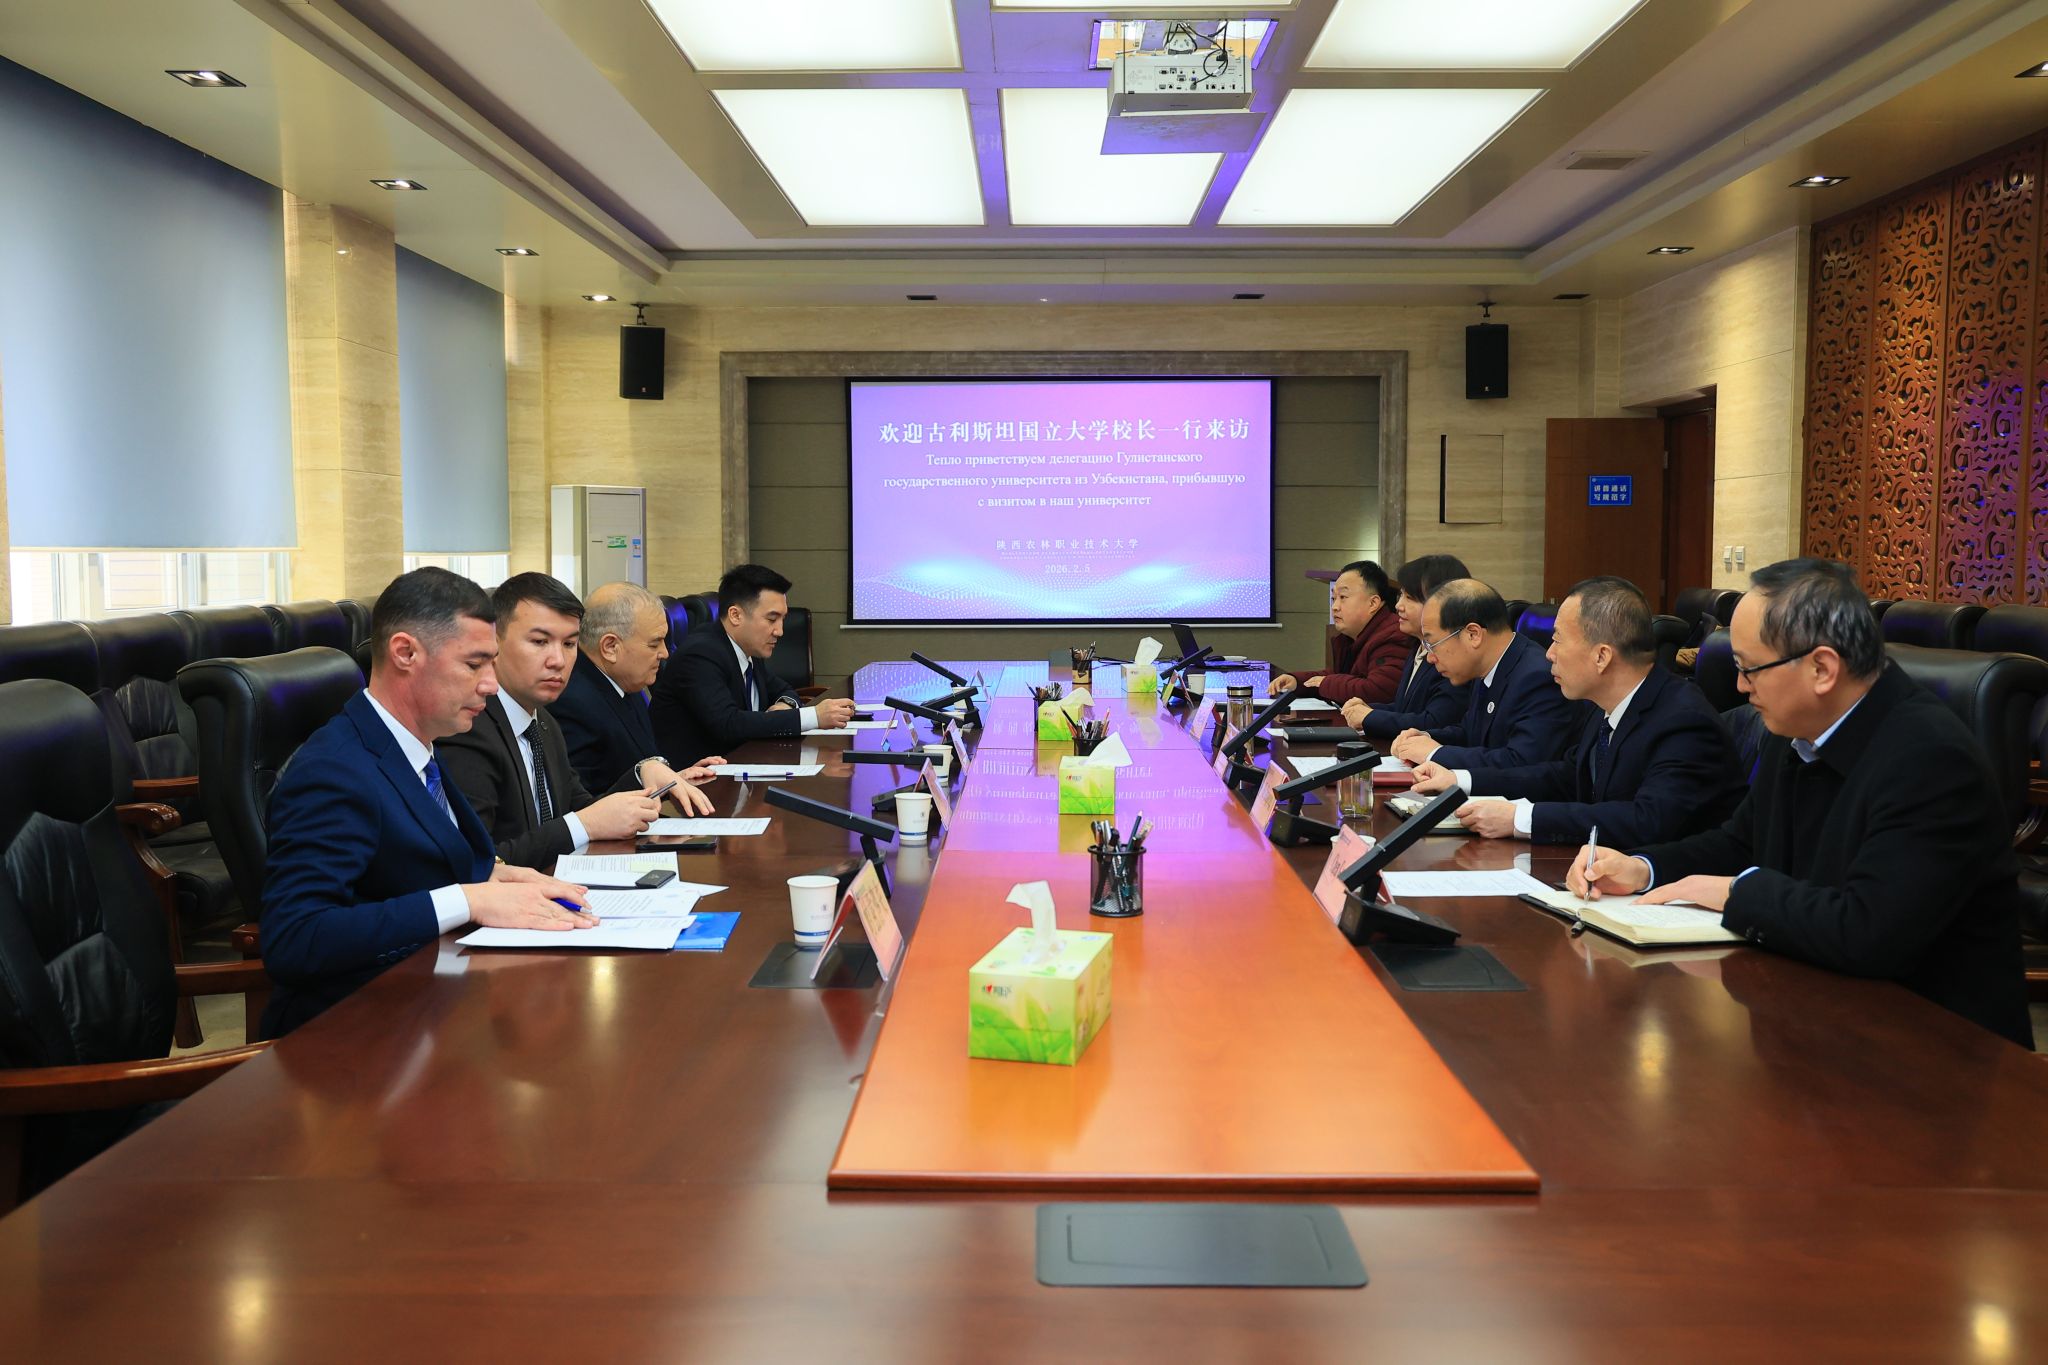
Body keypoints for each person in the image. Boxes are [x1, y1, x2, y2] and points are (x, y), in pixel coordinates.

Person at [1571, 558, 2031, 1046]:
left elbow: (1869, 931)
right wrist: (1643, 868)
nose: (1740, 687)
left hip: (1933, 1048)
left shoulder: (1931, 759)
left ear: (1822, 668)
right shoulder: (1796, 729)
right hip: (1814, 1014)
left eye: (1749, 669)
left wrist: (1737, 893)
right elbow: (1740, 842)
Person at [260, 568, 595, 1038]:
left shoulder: (419, 748)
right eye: (474, 665)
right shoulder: (333, 771)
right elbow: (296, 938)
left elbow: (410, 866)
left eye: (492, 664)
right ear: (406, 653)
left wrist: (492, 875)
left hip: (437, 1005)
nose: (490, 685)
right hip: (354, 1037)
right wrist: (468, 898)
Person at [1407, 575, 1745, 845]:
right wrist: (1460, 780)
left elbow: (1647, 820)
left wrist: (1522, 819)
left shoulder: (1682, 720)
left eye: (1558, 640)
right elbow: (1565, 777)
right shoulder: (1606, 706)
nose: (1549, 654)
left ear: (1602, 656)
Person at [438, 573, 720, 869]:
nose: (558, 660)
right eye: (539, 641)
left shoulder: (542, 722)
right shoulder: (469, 728)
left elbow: (587, 809)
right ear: (493, 645)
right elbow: (481, 863)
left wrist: (643, 773)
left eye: (569, 644)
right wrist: (582, 824)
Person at [650, 564, 856, 765]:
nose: (780, 631)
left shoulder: (747, 649)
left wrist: (785, 705)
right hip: (698, 778)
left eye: (782, 619)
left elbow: (783, 690)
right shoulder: (700, 654)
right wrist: (814, 716)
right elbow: (728, 724)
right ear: (736, 615)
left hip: (744, 765)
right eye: (772, 619)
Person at [1386, 578, 1580, 769]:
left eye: (1432, 644)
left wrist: (1434, 753)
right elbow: (1470, 734)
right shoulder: (1488, 665)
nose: (1429, 657)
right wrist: (1425, 738)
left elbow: (1521, 762)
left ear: (1473, 634)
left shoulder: (1537, 678)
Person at [552, 581, 704, 793]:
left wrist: (675, 778)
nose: (665, 653)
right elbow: (584, 800)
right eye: (654, 644)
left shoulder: (626, 681)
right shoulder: (571, 703)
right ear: (610, 647)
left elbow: (642, 762)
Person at [1342, 554, 1471, 741]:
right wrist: (1369, 709)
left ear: (1443, 603)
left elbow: (1435, 722)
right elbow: (1406, 708)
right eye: (1400, 595)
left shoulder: (1452, 656)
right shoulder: (1417, 646)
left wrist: (1370, 717)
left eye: (1410, 598)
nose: (1398, 606)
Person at [1270, 559, 1414, 704]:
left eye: (1343, 597)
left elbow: (1378, 691)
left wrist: (1326, 683)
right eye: (1333, 598)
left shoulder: (1392, 635)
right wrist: (1297, 682)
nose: (1335, 607)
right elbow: (1341, 675)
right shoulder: (1352, 637)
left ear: (1373, 603)